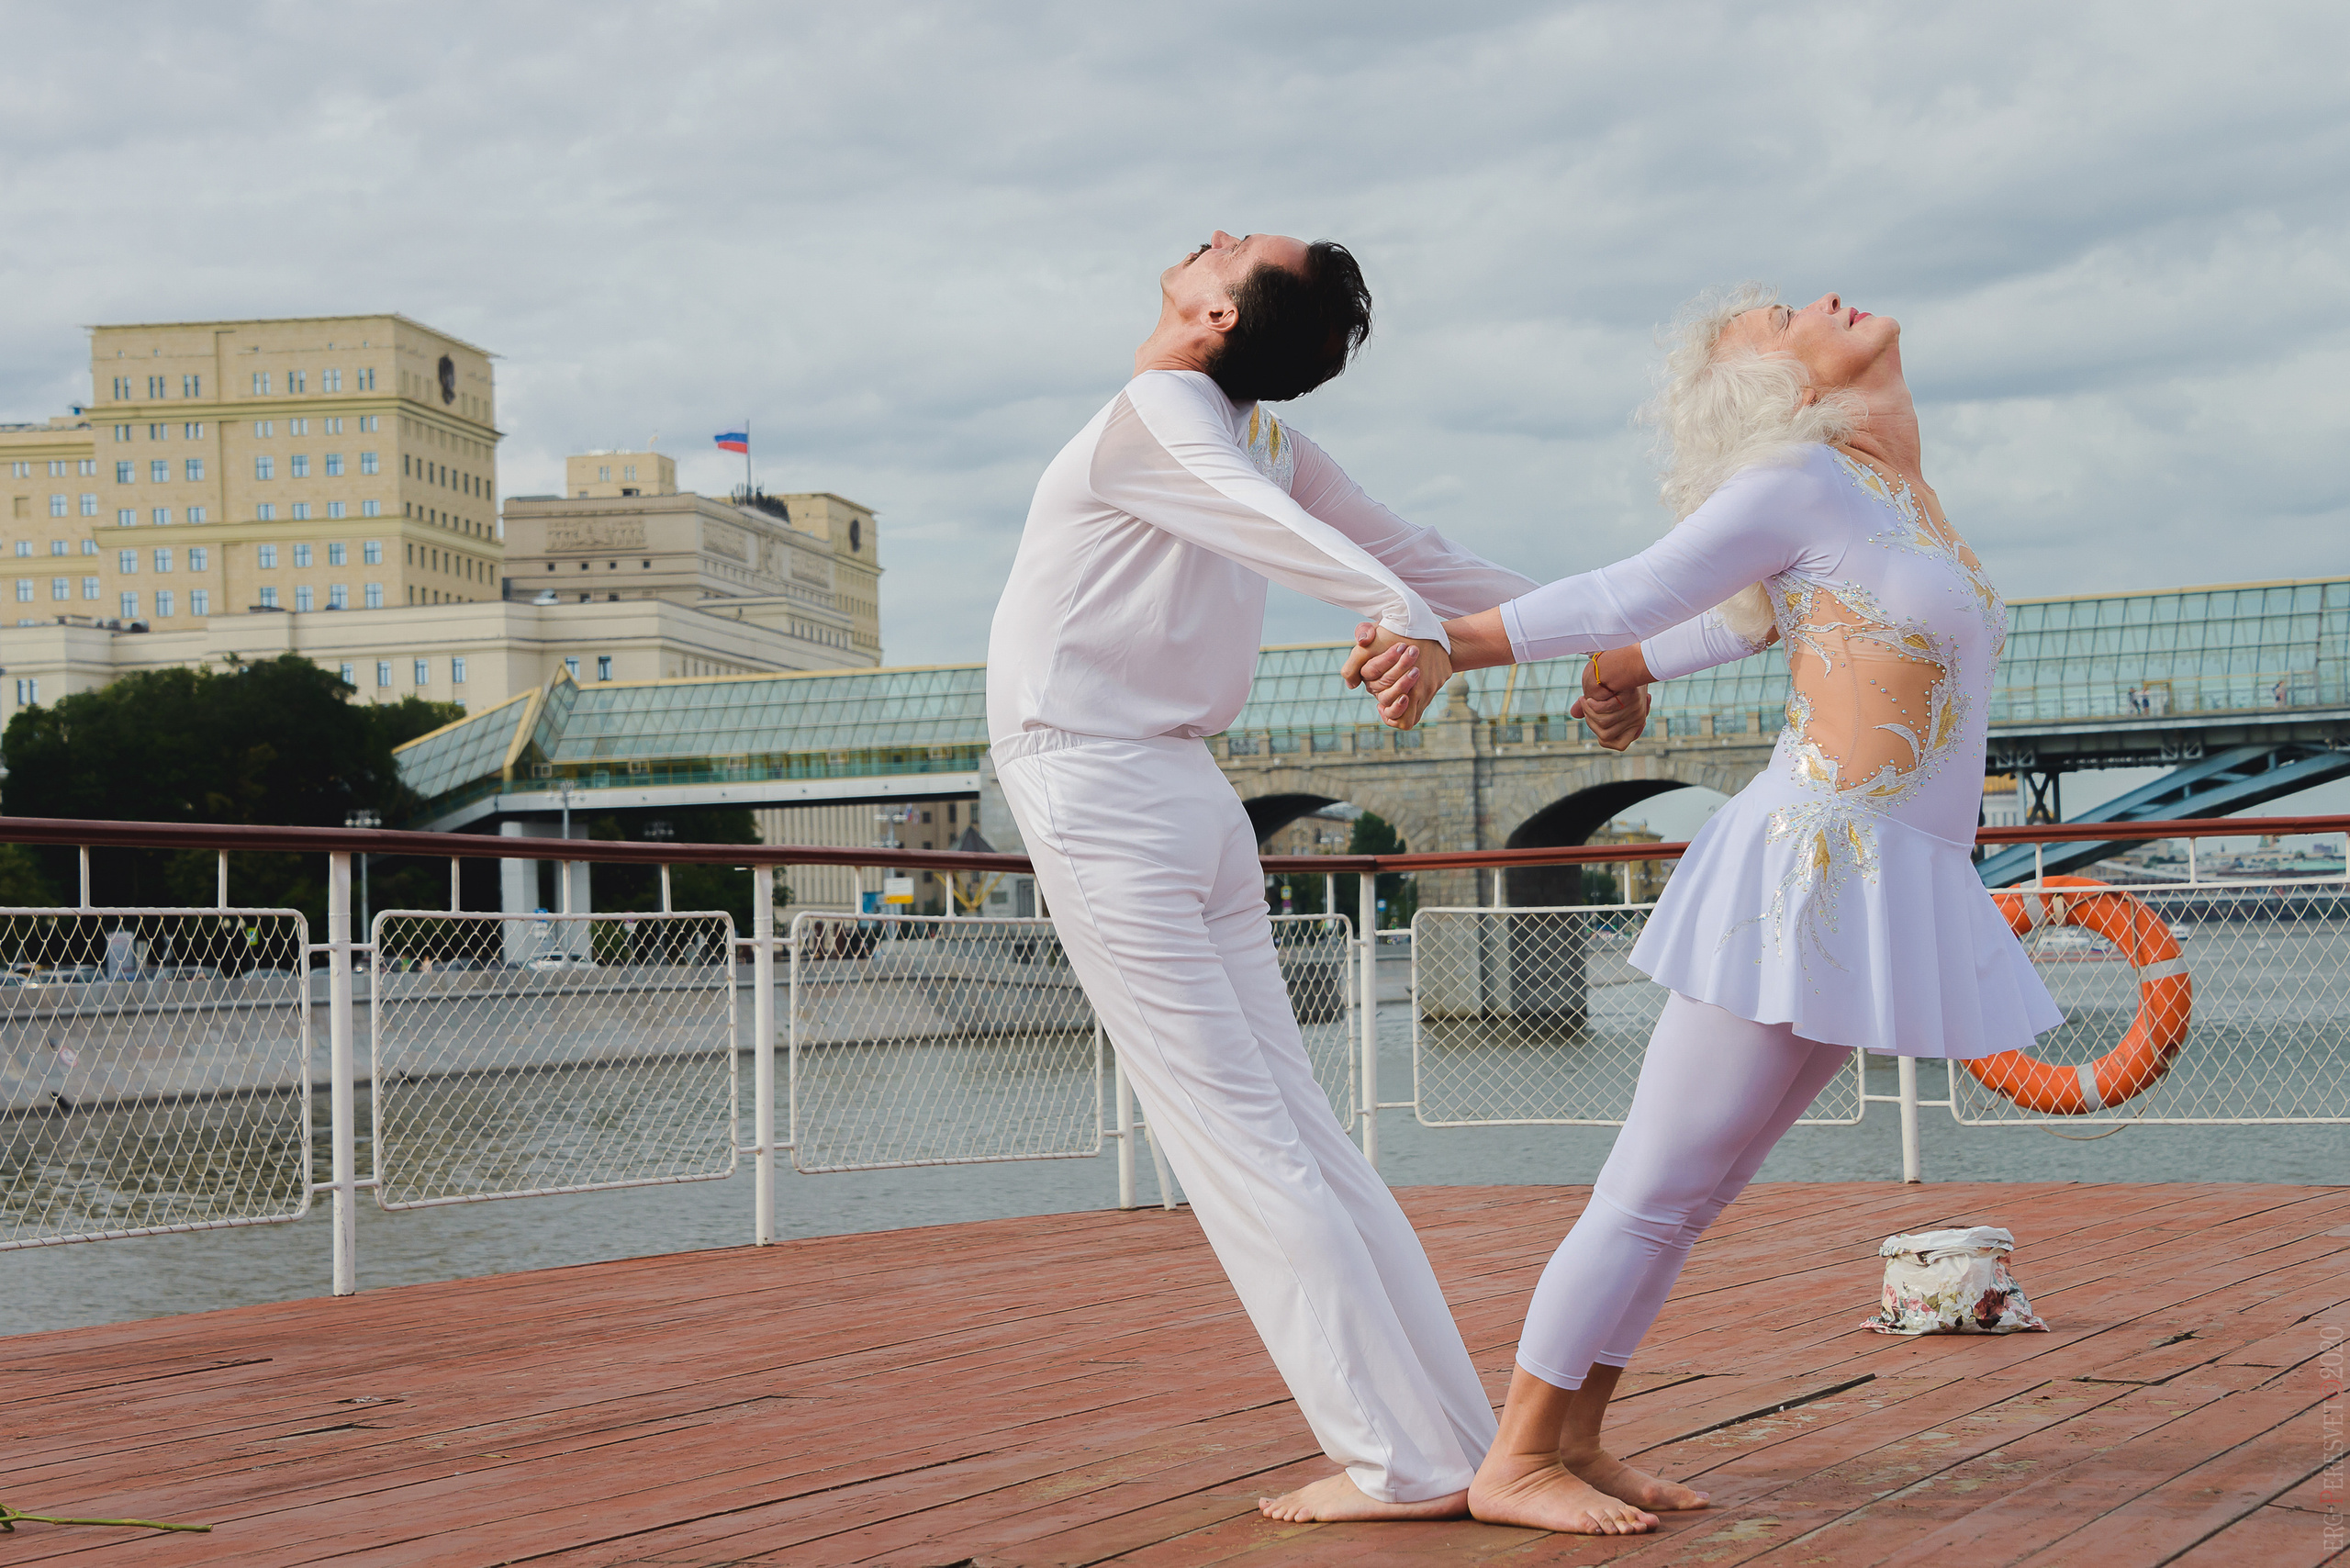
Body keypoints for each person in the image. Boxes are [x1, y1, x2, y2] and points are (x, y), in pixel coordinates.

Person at [1353, 286, 2064, 1534]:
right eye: (1783, 320)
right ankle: (1515, 1462)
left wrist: (1631, 670)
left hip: (1882, 875)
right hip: (1803, 874)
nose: (1816, 300)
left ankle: (1576, 1438)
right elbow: (1632, 589)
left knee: (1693, 1196)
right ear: (1778, 391)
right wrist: (1449, 642)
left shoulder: (1891, 489)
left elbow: (1741, 621)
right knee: (1649, 1186)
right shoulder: (1802, 473)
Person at [985, 230, 1646, 1524]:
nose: (1212, 236)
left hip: (1101, 788)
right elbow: (1417, 553)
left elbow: (1359, 556)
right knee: (1300, 1138)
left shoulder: (1166, 417)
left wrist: (1419, 622)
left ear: (1218, 311)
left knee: (1242, 1147)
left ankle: (1404, 1464)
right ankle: (1454, 1444)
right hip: (1185, 798)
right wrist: (1607, 631)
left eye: (1235, 245)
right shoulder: (1254, 438)